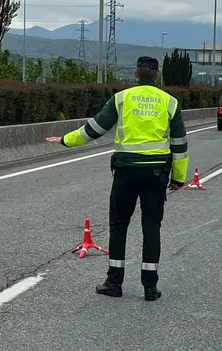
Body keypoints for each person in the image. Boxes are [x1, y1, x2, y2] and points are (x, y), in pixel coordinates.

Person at [46, 56, 189, 301]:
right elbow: (179, 144)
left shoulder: (122, 99)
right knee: (151, 228)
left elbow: (94, 129)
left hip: (126, 172)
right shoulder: (170, 102)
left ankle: (114, 282)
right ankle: (150, 288)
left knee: (119, 225)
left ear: (135, 74)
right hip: (156, 174)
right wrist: (178, 177)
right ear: (157, 75)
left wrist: (65, 140)